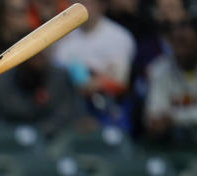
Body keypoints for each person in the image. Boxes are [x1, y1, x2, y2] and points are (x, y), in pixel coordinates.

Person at [50, 0, 136, 128]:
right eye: (77, 2)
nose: (82, 6)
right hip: (69, 106)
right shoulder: (62, 37)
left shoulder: (119, 37)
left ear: (101, 5)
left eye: (88, 2)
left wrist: (94, 82)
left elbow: (120, 80)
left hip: (108, 106)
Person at [0, 49, 86, 137]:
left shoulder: (60, 77)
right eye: (32, 57)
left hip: (51, 138)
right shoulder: (2, 81)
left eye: (40, 55)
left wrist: (39, 131)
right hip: (10, 139)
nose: (37, 61)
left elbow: (65, 113)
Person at [143, 18, 197, 146]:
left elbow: (169, 117)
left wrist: (175, 118)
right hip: (171, 142)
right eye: (176, 43)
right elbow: (154, 114)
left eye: (185, 43)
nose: (179, 49)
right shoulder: (158, 69)